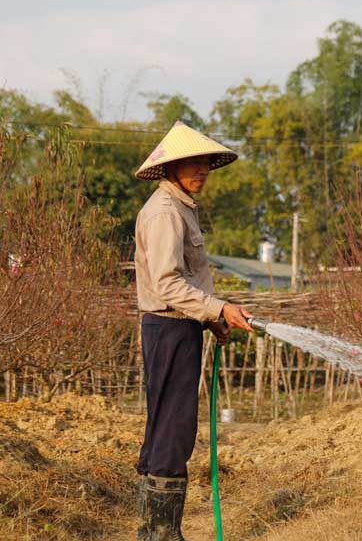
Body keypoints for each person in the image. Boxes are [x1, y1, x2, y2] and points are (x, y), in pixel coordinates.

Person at [133, 120, 253, 540]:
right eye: (192, 164)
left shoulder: (180, 208)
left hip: (180, 327)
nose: (201, 170)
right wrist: (218, 306)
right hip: (168, 329)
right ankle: (162, 534)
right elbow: (167, 284)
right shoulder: (164, 212)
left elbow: (185, 282)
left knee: (170, 426)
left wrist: (210, 318)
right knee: (172, 429)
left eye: (205, 163)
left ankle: (156, 531)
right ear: (170, 168)